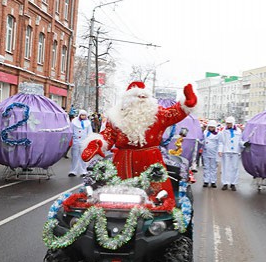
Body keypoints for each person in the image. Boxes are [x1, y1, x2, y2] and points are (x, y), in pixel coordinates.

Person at [82, 81, 197, 209]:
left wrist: (187, 103)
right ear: (127, 100)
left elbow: (174, 113)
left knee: (157, 200)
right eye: (137, 97)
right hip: (122, 163)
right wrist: (97, 143)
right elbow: (108, 135)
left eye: (144, 97)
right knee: (115, 200)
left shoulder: (158, 114)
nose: (142, 99)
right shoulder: (116, 117)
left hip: (151, 163)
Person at [217, 116, 244, 191]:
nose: (228, 125)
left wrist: (244, 144)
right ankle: (225, 183)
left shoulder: (238, 131)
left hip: (235, 151)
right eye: (227, 123)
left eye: (229, 123)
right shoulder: (223, 131)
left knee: (235, 168)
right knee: (225, 167)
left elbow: (240, 141)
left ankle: (233, 183)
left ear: (233, 123)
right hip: (226, 151)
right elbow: (221, 142)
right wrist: (220, 150)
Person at [68, 109, 92, 177]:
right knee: (75, 156)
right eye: (82, 115)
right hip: (76, 141)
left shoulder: (88, 123)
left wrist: (89, 140)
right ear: (79, 115)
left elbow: (89, 132)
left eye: (84, 115)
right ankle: (73, 171)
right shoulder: (74, 122)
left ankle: (83, 171)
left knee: (83, 157)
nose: (83, 116)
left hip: (84, 142)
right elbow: (71, 131)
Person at [202, 120, 219, 188]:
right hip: (206, 152)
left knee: (213, 167)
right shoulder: (205, 133)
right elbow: (203, 141)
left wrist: (219, 151)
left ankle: (213, 181)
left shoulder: (218, 134)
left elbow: (220, 143)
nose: (211, 128)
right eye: (210, 127)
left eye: (212, 127)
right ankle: (206, 181)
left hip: (214, 153)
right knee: (206, 167)